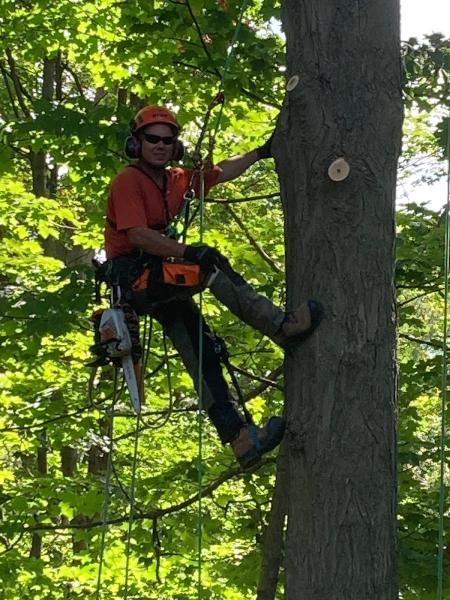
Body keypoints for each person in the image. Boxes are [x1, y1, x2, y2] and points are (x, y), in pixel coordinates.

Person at [104, 105, 323, 470]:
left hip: (159, 277)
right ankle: (280, 326)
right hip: (135, 278)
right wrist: (189, 252)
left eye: (167, 140)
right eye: (151, 139)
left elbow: (219, 173)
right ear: (136, 143)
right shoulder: (128, 181)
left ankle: (240, 439)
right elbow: (138, 234)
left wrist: (261, 152)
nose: (159, 145)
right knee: (210, 266)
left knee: (201, 350)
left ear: (176, 146)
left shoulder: (175, 180)